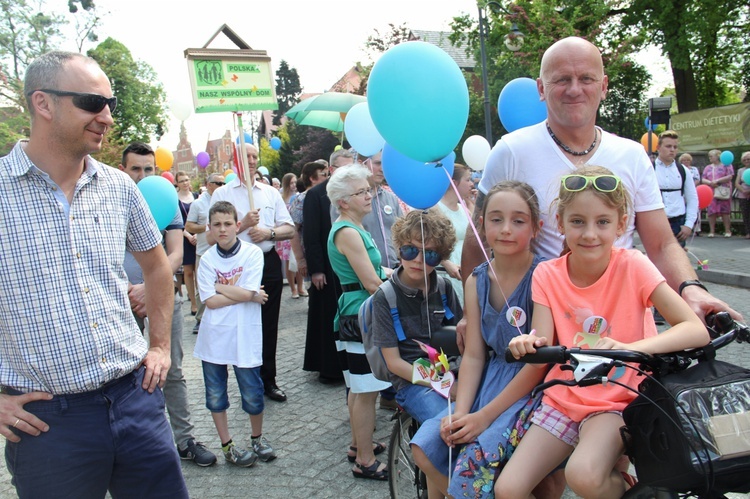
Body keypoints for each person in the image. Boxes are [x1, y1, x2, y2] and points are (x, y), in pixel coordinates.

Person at [0, 51, 187, 497]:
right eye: (91, 102)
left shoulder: (119, 186)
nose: (106, 116)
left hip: (134, 398)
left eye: (110, 103)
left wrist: (159, 347)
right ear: (43, 104)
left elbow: (158, 268)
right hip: (48, 424)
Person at [465, 36, 737, 323]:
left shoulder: (631, 155)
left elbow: (661, 244)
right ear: (541, 89)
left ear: (603, 86)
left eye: (586, 78)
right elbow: (478, 239)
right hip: (542, 325)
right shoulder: (511, 151)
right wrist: (472, 316)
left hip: (624, 324)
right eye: (562, 79)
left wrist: (690, 288)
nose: (574, 89)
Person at [494, 165, 709, 499]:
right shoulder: (547, 275)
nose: (589, 234)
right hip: (566, 395)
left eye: (603, 222)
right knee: (508, 489)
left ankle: (638, 493)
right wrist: (527, 342)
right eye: (577, 221)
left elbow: (695, 330)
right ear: (561, 223)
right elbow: (542, 339)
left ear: (621, 224)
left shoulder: (632, 265)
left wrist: (630, 347)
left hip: (618, 396)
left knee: (584, 476)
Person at [413, 182, 547, 499]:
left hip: (528, 389)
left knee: (477, 457)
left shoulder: (544, 275)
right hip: (487, 382)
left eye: (518, 220)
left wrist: (483, 417)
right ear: (482, 223)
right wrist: (464, 409)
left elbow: (539, 363)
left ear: (535, 227)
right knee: (429, 443)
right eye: (496, 219)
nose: (506, 229)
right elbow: (474, 355)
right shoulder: (477, 279)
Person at [119, 143, 217, 468]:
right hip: (120, 301)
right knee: (125, 374)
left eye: (149, 169)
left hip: (162, 295)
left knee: (171, 368)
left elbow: (175, 252)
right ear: (124, 170)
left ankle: (185, 438)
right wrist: (131, 291)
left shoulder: (165, 199)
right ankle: (138, 442)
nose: (143, 175)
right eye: (136, 169)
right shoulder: (109, 201)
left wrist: (150, 288)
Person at [210, 143, 295, 403]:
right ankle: (247, 379)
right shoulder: (222, 194)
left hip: (266, 262)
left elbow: (289, 228)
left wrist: (269, 233)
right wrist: (242, 225)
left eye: (254, 156)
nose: (251, 160)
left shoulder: (269, 193)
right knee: (240, 322)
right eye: (245, 156)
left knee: (268, 324)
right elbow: (211, 236)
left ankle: (268, 379)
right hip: (236, 265)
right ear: (235, 160)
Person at [195, 201, 276, 467]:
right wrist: (247, 295)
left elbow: (247, 289)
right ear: (210, 227)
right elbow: (210, 302)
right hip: (214, 337)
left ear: (237, 225)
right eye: (216, 224)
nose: (222, 229)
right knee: (216, 395)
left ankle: (257, 438)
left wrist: (219, 286)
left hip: (245, 334)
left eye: (228, 223)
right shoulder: (207, 259)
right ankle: (227, 445)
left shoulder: (252, 254)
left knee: (253, 392)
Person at [327, 163, 393, 481]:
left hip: (353, 312)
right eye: (361, 192)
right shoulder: (348, 232)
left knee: (357, 388)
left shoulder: (352, 228)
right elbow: (371, 282)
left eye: (368, 189)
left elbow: (376, 274)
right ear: (343, 201)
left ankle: (358, 445)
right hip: (360, 315)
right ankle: (364, 461)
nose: (369, 195)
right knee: (366, 391)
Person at [373, 209, 463, 424]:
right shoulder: (385, 297)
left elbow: (463, 340)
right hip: (411, 381)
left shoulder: (443, 288)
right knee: (448, 423)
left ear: (441, 257)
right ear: (399, 249)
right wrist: (442, 384)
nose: (419, 260)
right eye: (410, 250)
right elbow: (394, 363)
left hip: (451, 370)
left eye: (430, 254)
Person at [302, 150, 354, 383]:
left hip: (347, 264)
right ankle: (328, 367)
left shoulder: (352, 193)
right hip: (325, 266)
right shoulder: (315, 195)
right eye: (342, 169)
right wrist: (316, 269)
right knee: (326, 316)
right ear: (332, 170)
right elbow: (310, 235)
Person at [186, 172, 226, 334]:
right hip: (204, 250)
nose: (222, 186)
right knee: (204, 285)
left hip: (223, 250)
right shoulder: (198, 204)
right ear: (209, 184)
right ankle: (201, 318)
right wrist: (208, 227)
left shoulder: (225, 201)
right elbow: (189, 226)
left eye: (223, 183)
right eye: (218, 183)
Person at [435, 163, 474, 305]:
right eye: (468, 180)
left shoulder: (464, 209)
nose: (471, 184)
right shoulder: (436, 207)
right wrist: (445, 263)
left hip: (465, 268)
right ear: (454, 183)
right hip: (447, 271)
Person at [654, 130, 698, 248]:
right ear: (658, 147)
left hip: (677, 222)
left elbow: (692, 198)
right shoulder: (649, 169)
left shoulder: (683, 170)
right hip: (655, 221)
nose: (672, 149)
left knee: (677, 258)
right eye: (668, 146)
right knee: (654, 260)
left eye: (675, 147)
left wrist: (688, 225)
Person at [278, 172, 306, 298]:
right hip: (286, 234)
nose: (294, 185)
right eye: (291, 183)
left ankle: (301, 286)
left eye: (295, 182)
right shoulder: (281, 198)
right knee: (290, 263)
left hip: (297, 232)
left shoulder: (298, 197)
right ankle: (293, 288)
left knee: (298, 260)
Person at [176, 171, 199, 314]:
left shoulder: (196, 197)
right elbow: (177, 222)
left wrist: (196, 234)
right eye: (182, 181)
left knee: (200, 271)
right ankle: (193, 302)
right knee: (189, 272)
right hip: (184, 237)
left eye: (187, 180)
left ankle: (201, 299)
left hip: (198, 236)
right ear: (177, 183)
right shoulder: (175, 199)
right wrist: (188, 235)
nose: (185, 183)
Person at [702, 149, 734, 238]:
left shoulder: (727, 165)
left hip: (723, 190)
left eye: (711, 156)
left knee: (725, 211)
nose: (710, 158)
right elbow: (703, 178)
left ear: (718, 156)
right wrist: (710, 182)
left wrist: (717, 181)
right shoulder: (708, 167)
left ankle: (727, 230)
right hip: (711, 191)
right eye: (709, 156)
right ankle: (711, 231)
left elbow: (730, 176)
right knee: (711, 211)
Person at [681, 153, 702, 235]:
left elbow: (697, 179)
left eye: (688, 160)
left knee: (695, 209)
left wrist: (690, 187)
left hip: (692, 190)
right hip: (682, 193)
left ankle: (696, 229)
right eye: (684, 160)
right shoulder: (680, 169)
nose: (686, 162)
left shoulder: (694, 169)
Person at [734, 151, 750, 238]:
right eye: (745, 159)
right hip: (743, 194)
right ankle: (748, 232)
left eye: (749, 159)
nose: (747, 161)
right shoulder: (740, 170)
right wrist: (743, 191)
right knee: (745, 214)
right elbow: (737, 183)